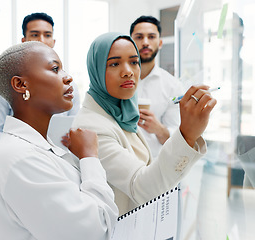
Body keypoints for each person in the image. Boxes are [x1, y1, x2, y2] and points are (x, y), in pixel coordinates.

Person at [0, 41, 118, 240]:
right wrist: (89, 157)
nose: (68, 77)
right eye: (55, 69)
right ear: (21, 85)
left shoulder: (35, 149)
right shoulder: (22, 159)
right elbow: (96, 231)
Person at [72, 32, 217, 216]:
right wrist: (187, 135)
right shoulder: (92, 127)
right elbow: (141, 187)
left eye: (134, 62)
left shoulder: (123, 114)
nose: (128, 71)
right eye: (115, 64)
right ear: (96, 70)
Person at [0, 12, 80, 149]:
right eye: (35, 35)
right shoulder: (4, 88)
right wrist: (32, 145)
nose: (42, 40)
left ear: (53, 41)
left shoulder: (69, 87)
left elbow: (74, 127)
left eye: (47, 35)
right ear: (24, 41)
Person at [130, 15, 185, 158]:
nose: (145, 42)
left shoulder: (173, 86)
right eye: (139, 37)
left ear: (160, 43)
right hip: (118, 163)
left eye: (151, 36)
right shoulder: (115, 79)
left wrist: (158, 129)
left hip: (154, 167)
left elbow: (178, 140)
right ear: (130, 42)